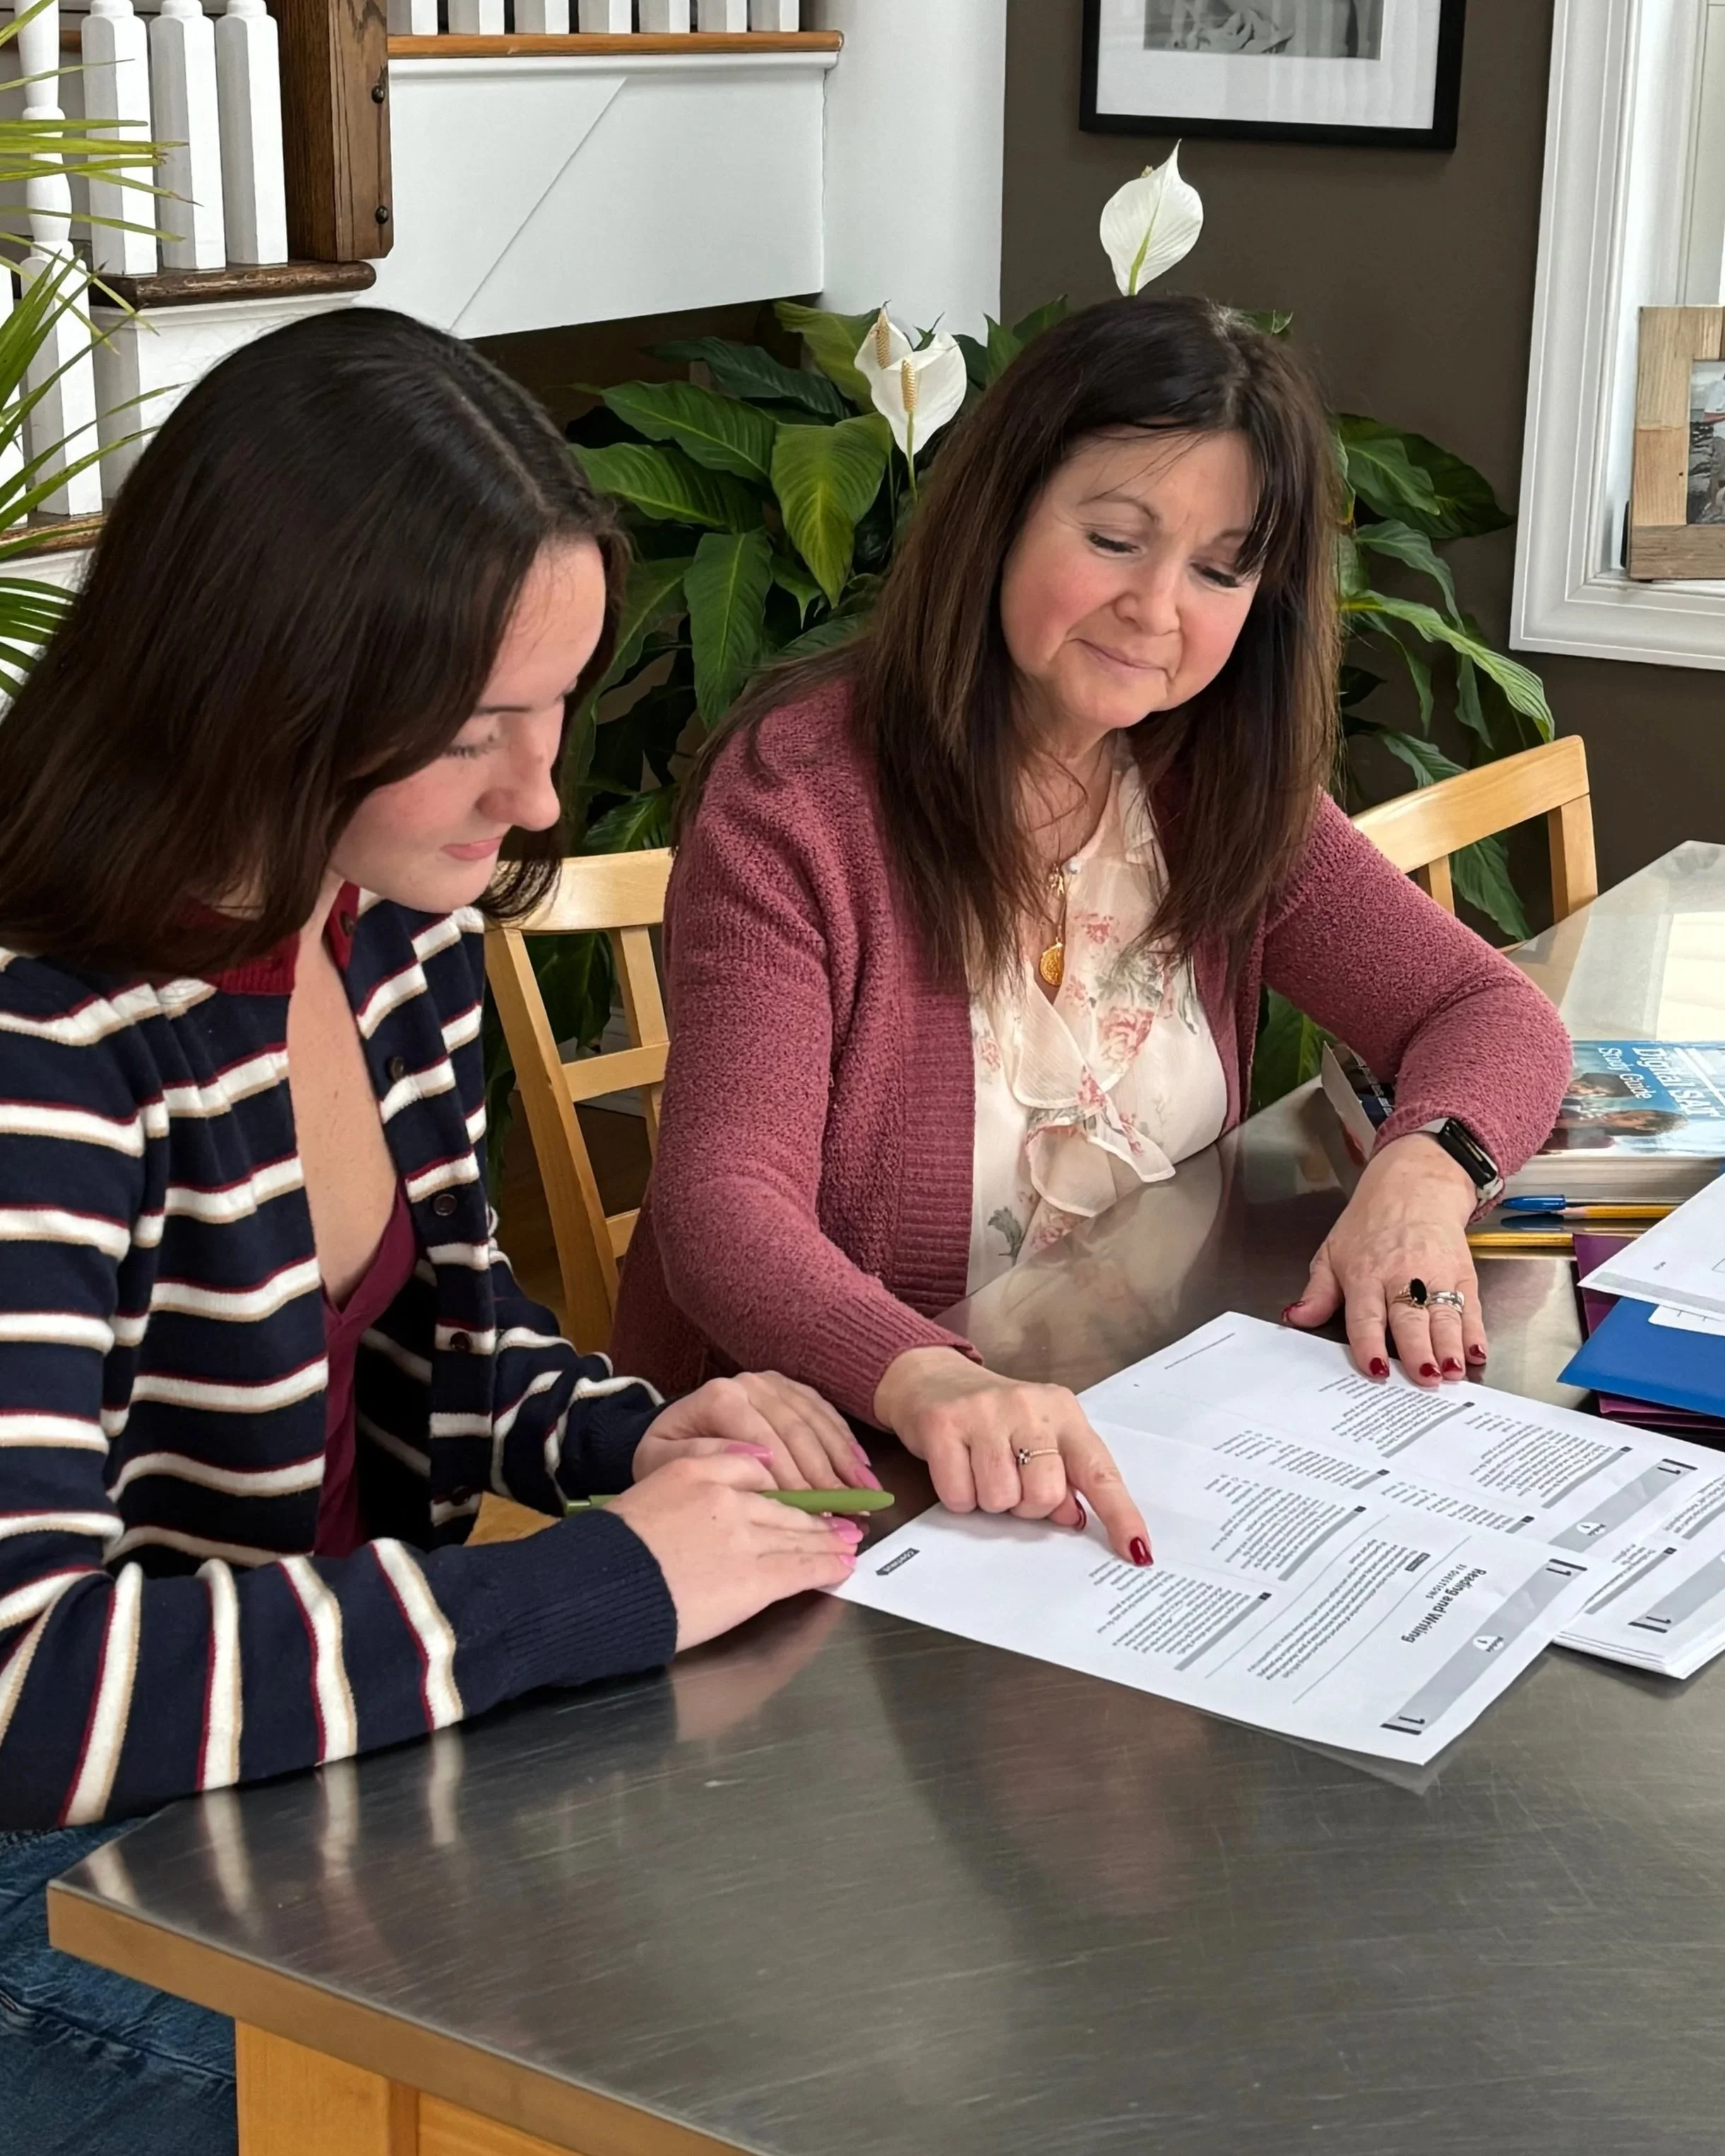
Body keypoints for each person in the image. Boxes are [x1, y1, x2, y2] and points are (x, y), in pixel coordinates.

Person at [0, 308, 872, 2155]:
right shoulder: (44, 1038)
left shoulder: (387, 920)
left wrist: (635, 1432)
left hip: (296, 1790)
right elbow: (27, 1690)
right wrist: (603, 1580)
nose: (543, 791)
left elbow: (446, 1327)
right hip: (54, 1864)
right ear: (270, 684)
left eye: (556, 705)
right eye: (480, 727)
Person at [611, 293, 1571, 1569]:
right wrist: (927, 1378)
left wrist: (1417, 1178)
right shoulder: (797, 799)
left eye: (1221, 569)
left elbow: (1492, 1012)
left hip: (1133, 1442)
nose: (1159, 608)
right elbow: (724, 1206)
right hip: (830, 1469)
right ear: (1000, 510)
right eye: (1116, 537)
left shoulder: (1206, 781)